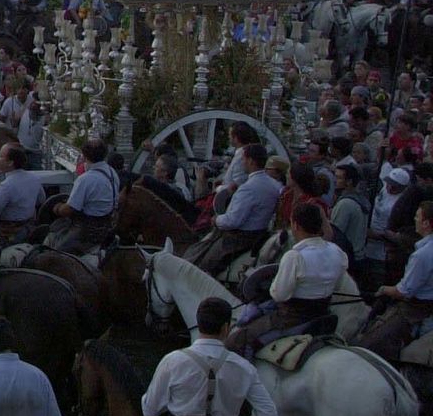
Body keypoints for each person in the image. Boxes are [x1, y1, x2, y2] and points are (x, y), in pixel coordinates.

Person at [90, 297, 277, 416]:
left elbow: (149, 411)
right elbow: (268, 415)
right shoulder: (245, 368)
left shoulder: (173, 361)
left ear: (199, 324)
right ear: (226, 328)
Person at [229, 203, 348, 356]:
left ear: (296, 225)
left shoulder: (295, 256)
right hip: (324, 313)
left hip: (291, 319)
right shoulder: (336, 251)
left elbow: (279, 295)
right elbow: (337, 285)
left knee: (236, 341)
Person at [184, 144, 282, 279]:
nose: (242, 163)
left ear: (251, 161)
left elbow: (233, 221)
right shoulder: (274, 185)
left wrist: (216, 220)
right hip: (261, 232)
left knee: (203, 262)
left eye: (244, 159)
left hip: (240, 237)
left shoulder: (249, 188)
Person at [355, 200, 433, 361]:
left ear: (426, 223)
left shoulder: (422, 255)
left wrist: (384, 289)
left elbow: (404, 291)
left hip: (416, 309)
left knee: (370, 345)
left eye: (418, 217)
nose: (415, 220)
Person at [45, 139, 117, 254]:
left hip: (87, 231)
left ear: (84, 156)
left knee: (54, 253)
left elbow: (68, 210)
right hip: (107, 226)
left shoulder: (86, 179)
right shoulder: (112, 173)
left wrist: (57, 208)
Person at [0, 143, 44, 244]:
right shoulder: (34, 178)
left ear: (10, 162)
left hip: (8, 235)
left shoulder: (5, 187)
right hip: (30, 230)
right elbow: (41, 200)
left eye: (1, 156)